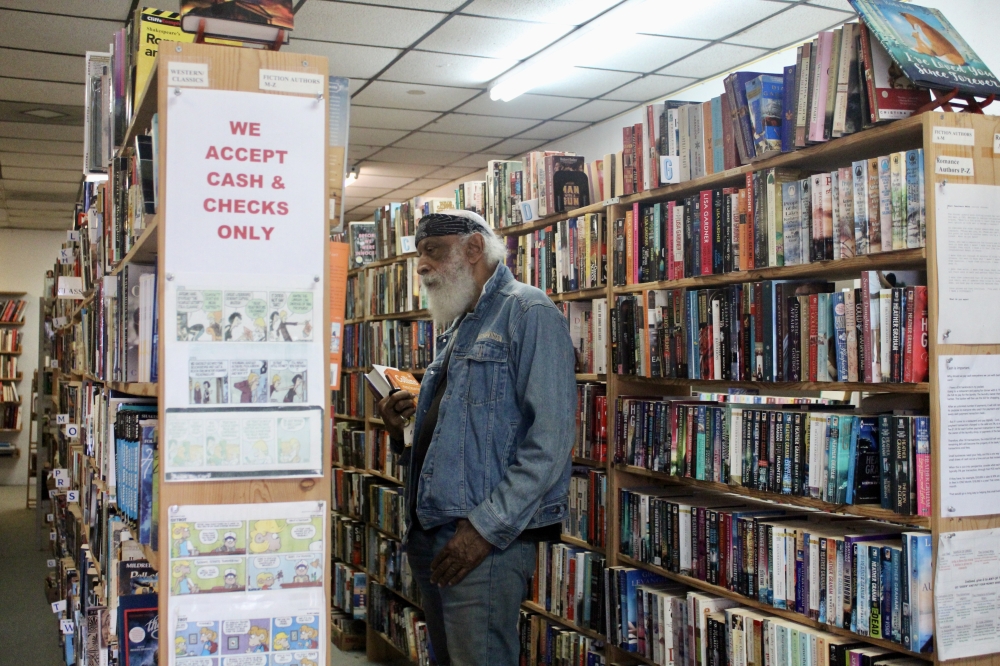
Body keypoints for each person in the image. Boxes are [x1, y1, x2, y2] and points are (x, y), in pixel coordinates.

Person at [375, 210, 576, 666]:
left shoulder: (530, 312)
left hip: (482, 538)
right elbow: (459, 439)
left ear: (473, 249)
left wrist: (484, 529)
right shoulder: (460, 321)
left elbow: (550, 440)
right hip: (434, 530)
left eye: (433, 252)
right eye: (419, 254)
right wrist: (401, 434)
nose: (421, 266)